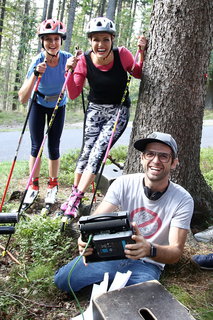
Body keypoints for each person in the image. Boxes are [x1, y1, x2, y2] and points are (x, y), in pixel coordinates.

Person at [54, 131, 194, 293]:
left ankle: (111, 289)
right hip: (113, 255)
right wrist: (85, 239)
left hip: (147, 264)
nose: (155, 161)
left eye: (163, 156)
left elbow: (175, 252)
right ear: (142, 158)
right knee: (63, 281)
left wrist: (149, 249)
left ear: (174, 163)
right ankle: (108, 287)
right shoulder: (123, 183)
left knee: (143, 298)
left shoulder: (183, 199)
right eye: (150, 154)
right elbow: (94, 222)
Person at [60, 17, 147, 217]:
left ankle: (76, 198)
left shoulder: (122, 54)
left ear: (112, 39)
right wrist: (69, 71)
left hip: (117, 111)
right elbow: (73, 93)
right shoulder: (83, 60)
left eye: (105, 39)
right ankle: (75, 198)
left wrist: (141, 52)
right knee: (86, 152)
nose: (101, 44)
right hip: (95, 110)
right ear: (90, 41)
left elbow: (138, 73)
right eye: (96, 39)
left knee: (98, 151)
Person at [18, 19, 74, 208]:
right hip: (38, 103)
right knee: (36, 146)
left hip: (58, 104)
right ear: (42, 41)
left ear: (61, 40)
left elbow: (75, 87)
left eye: (56, 39)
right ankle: (33, 186)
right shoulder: (37, 60)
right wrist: (35, 73)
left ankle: (53, 185)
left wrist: (75, 68)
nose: (52, 43)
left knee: (54, 146)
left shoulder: (67, 58)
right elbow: (22, 98)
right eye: (48, 39)